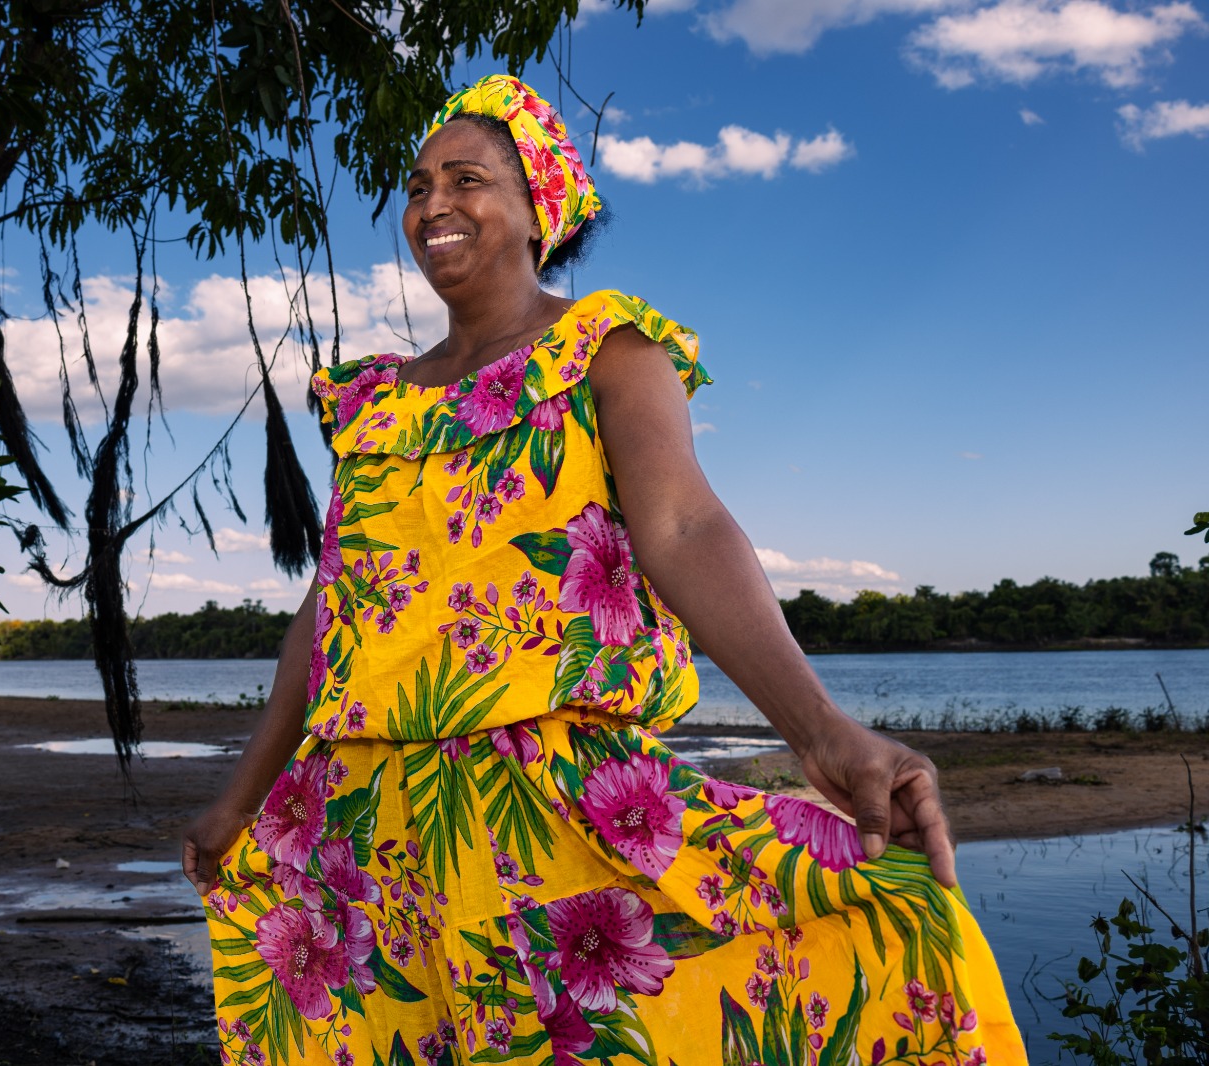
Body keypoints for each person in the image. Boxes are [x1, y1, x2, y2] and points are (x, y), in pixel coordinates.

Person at [182, 74, 1025, 1066]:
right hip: (368, 827)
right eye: (416, 187)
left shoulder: (605, 349)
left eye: (467, 179)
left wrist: (822, 731)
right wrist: (242, 797)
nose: (432, 206)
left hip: (542, 807)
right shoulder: (373, 404)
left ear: (540, 206)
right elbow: (334, 610)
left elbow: (683, 528)